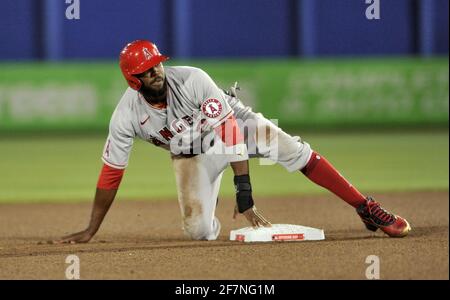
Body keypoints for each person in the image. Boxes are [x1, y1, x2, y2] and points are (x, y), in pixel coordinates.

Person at [55, 40, 410, 244]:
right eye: (146, 71)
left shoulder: (193, 79)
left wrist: (245, 192)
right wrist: (91, 229)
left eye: (157, 64)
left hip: (234, 126)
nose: (156, 72)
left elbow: (230, 132)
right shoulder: (126, 115)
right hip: (191, 153)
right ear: (133, 80)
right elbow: (111, 173)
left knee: (291, 149)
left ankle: (365, 206)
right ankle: (213, 213)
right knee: (197, 232)